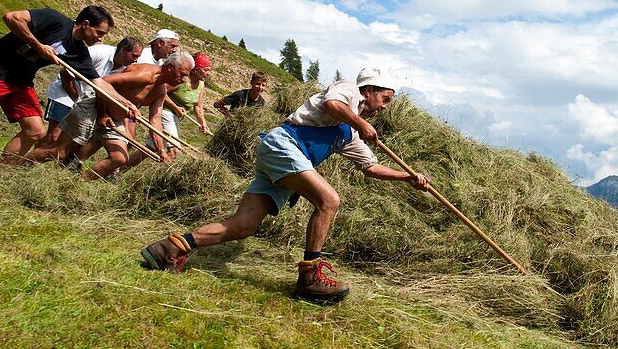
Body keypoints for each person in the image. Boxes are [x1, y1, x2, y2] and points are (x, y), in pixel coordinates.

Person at [140, 68, 429, 304]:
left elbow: (370, 168)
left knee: (243, 226)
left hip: (281, 160)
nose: (384, 107)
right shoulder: (348, 91)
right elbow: (333, 105)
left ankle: (170, 248)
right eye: (385, 99)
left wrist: (408, 177)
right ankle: (310, 277)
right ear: (369, 90)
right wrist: (360, 122)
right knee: (329, 200)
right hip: (283, 146)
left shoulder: (350, 134)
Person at [0, 6, 137, 166]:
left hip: (20, 81)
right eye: (99, 32)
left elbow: (99, 82)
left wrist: (126, 103)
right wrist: (37, 45)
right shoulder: (55, 20)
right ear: (85, 24)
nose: (101, 38)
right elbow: (11, 17)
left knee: (35, 131)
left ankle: (1, 171)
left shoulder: (78, 52)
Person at [26, 35, 145, 166]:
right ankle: (25, 163)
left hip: (87, 103)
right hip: (65, 94)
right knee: (53, 137)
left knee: (71, 144)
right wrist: (77, 98)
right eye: (134, 56)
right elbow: (66, 72)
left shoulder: (124, 69)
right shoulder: (99, 53)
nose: (136, 60)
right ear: (123, 49)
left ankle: (39, 165)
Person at [79, 51, 194, 180]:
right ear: (171, 67)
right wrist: (102, 114)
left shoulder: (160, 90)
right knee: (59, 152)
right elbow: (104, 82)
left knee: (119, 158)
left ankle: (80, 181)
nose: (184, 80)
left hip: (115, 118)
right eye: (182, 74)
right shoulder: (144, 75)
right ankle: (70, 163)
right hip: (93, 104)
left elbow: (155, 120)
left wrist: (161, 151)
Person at [125, 52, 212, 170]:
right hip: (165, 114)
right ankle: (166, 179)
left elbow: (198, 106)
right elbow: (161, 92)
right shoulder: (181, 80)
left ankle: (118, 169)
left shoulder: (201, 85)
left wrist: (203, 124)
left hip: (175, 118)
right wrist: (175, 107)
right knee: (175, 149)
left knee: (150, 149)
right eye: (205, 70)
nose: (208, 73)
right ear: (196, 70)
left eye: (209, 70)